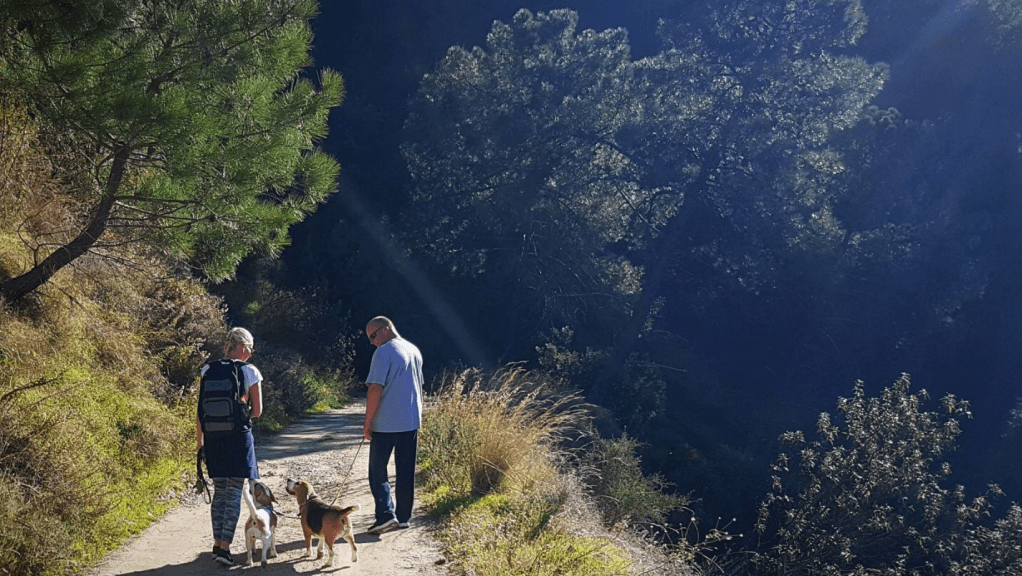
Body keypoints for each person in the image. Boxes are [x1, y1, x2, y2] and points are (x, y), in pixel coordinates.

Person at [197, 327, 264, 566]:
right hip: (238, 440)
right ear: (244, 348)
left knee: (220, 493)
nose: (251, 354)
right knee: (234, 494)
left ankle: (217, 544)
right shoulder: (249, 371)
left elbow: (200, 413)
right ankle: (225, 549)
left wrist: (200, 443)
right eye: (251, 349)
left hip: (213, 440)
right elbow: (257, 411)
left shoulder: (208, 370)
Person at [363, 316, 424, 535]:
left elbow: (375, 388)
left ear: (386, 329)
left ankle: (385, 515)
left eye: (373, 335)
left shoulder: (384, 352)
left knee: (377, 471)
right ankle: (404, 517)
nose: (372, 342)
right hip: (411, 421)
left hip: (386, 423)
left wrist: (368, 421)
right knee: (406, 471)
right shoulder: (413, 350)